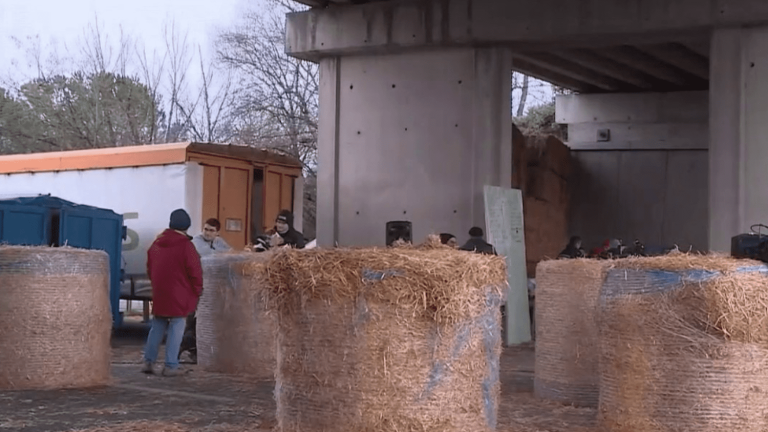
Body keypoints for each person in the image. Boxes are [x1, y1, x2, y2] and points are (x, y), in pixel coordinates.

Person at [142, 209, 203, 377]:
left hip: (160, 291)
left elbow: (150, 267)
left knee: (158, 325)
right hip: (180, 293)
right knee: (177, 326)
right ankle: (170, 365)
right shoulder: (185, 246)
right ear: (186, 227)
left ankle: (149, 361)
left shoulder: (156, 244)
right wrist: (197, 290)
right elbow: (195, 271)